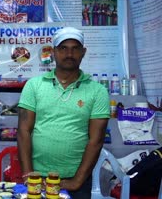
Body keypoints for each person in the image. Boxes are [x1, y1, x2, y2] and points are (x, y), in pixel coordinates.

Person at [17, 27, 110, 198]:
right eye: (63, 48)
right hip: (37, 178)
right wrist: (28, 174)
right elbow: (23, 131)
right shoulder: (34, 85)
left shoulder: (97, 91)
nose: (69, 54)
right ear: (53, 52)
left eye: (75, 48)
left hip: (77, 180)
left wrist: (77, 181)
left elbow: (96, 140)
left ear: (83, 52)